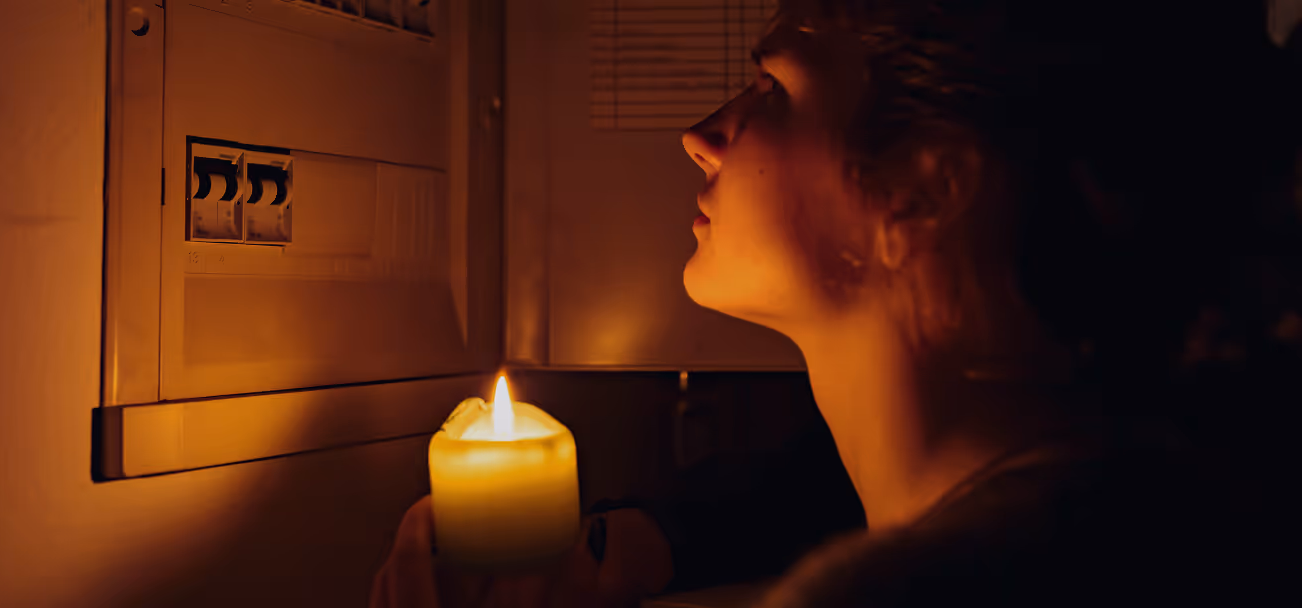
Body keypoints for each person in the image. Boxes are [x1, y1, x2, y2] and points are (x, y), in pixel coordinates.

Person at [372, 0, 1301, 606]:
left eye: (773, 86)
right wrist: (644, 548)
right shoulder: (1158, 500)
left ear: (925, 191)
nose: (702, 136)